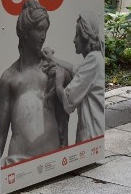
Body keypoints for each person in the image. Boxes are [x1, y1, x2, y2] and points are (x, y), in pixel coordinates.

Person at [0, 0, 67, 164]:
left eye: (45, 30)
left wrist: (65, 151)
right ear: (25, 32)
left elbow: (63, 118)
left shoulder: (51, 71)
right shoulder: (10, 78)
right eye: (38, 29)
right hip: (18, 160)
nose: (43, 36)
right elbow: (1, 132)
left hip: (52, 154)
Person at [43, 12, 106, 144]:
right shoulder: (94, 58)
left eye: (77, 35)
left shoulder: (93, 60)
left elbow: (68, 99)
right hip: (92, 131)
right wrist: (52, 59)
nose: (74, 40)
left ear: (85, 36)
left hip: (91, 134)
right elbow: (75, 69)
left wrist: (59, 84)